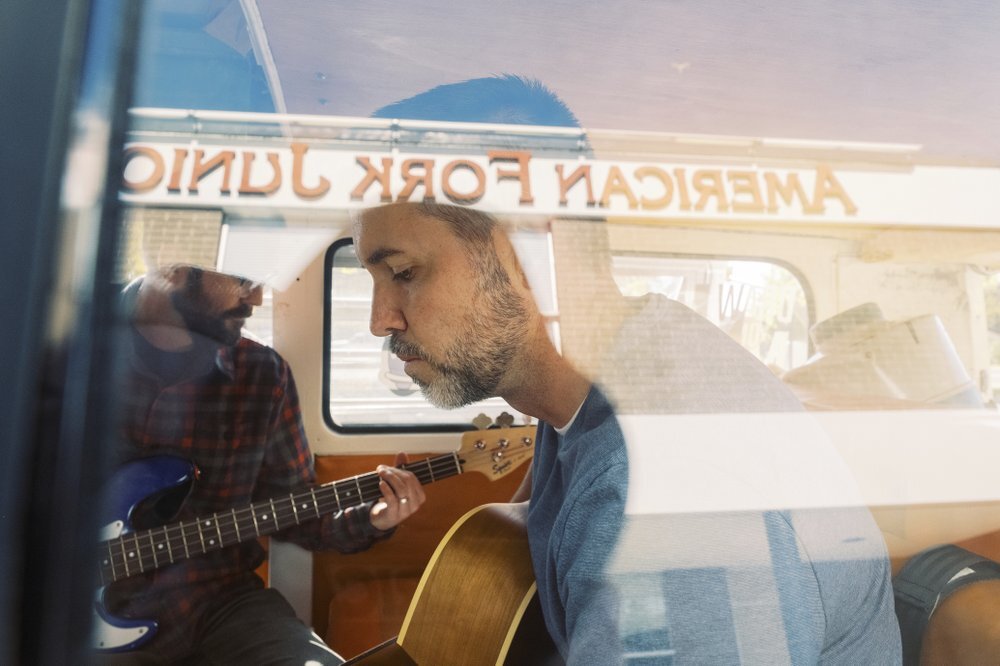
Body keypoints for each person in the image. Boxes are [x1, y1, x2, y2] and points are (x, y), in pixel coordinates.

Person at [354, 201, 901, 664]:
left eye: (403, 273)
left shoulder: (673, 492)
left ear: (527, 258)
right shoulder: (598, 379)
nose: (381, 321)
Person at [94, 263, 426, 665]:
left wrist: (371, 519)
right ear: (176, 267)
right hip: (81, 615)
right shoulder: (61, 350)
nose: (256, 299)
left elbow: (295, 511)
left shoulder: (262, 374)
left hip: (223, 603)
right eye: (242, 280)